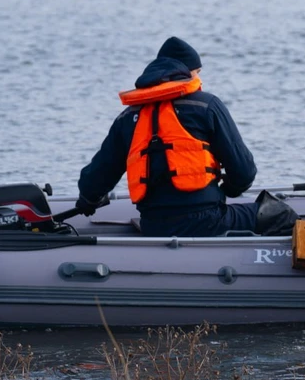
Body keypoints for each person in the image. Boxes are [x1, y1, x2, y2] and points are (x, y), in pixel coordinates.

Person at [76, 37, 293, 237]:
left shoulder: (127, 118)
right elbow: (244, 172)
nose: (200, 79)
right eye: (198, 72)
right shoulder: (206, 106)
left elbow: (94, 180)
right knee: (280, 213)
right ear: (187, 73)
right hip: (207, 221)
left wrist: (88, 201)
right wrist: (230, 190)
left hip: (153, 225)